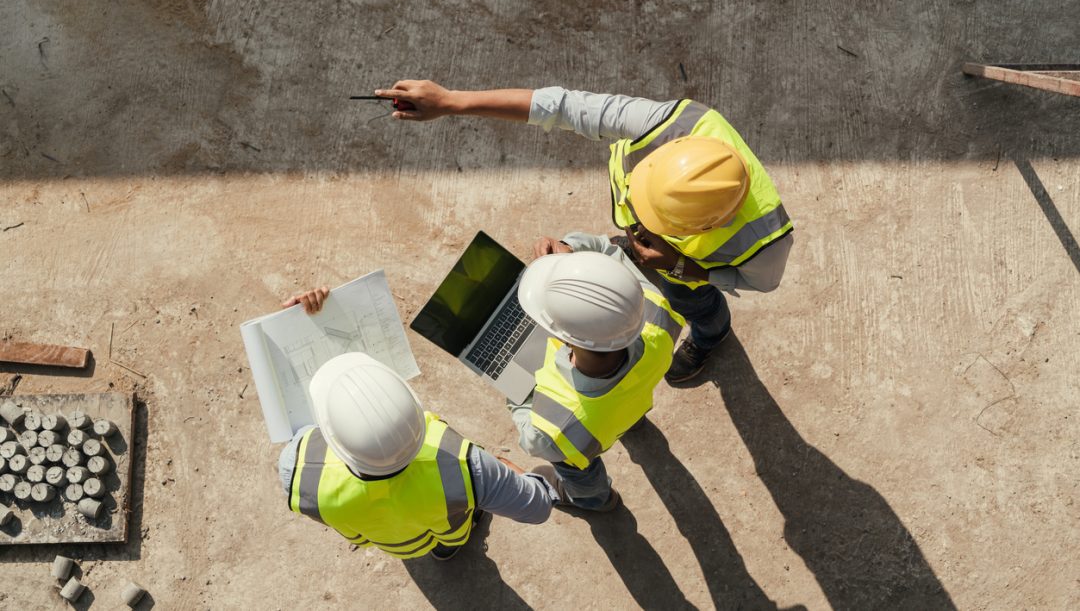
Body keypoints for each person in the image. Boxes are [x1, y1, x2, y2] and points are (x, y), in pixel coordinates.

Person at [373, 81, 794, 382]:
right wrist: (451, 101)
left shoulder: (766, 244)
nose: (637, 223)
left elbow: (759, 284)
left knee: (697, 305)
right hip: (665, 256)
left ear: (704, 225)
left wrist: (685, 268)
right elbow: (561, 106)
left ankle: (711, 334)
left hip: (685, 272)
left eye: (652, 221)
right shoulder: (667, 124)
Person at [277, 288, 560, 561]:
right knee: (451, 532)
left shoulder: (296, 469)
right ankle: (448, 548)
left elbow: (300, 419)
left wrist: (296, 326)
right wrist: (501, 470)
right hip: (448, 528)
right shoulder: (467, 466)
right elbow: (537, 507)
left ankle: (436, 550)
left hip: (391, 542)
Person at [506, 237, 685, 511]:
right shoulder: (657, 314)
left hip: (585, 436)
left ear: (558, 335)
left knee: (577, 469)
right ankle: (632, 424)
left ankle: (594, 500)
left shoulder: (554, 430)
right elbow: (608, 252)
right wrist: (572, 256)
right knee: (625, 408)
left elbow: (532, 439)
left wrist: (512, 385)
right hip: (628, 403)